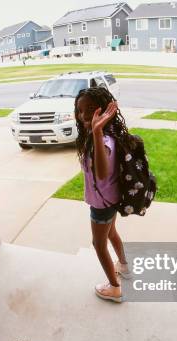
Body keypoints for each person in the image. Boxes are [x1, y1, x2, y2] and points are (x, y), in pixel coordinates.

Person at [74, 87, 136, 303]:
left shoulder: (104, 141)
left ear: (104, 110)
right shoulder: (102, 136)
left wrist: (97, 132)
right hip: (111, 198)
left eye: (90, 109)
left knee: (98, 244)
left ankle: (114, 288)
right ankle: (125, 267)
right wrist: (95, 131)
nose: (84, 115)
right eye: (80, 110)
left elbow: (100, 174)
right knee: (111, 233)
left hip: (101, 204)